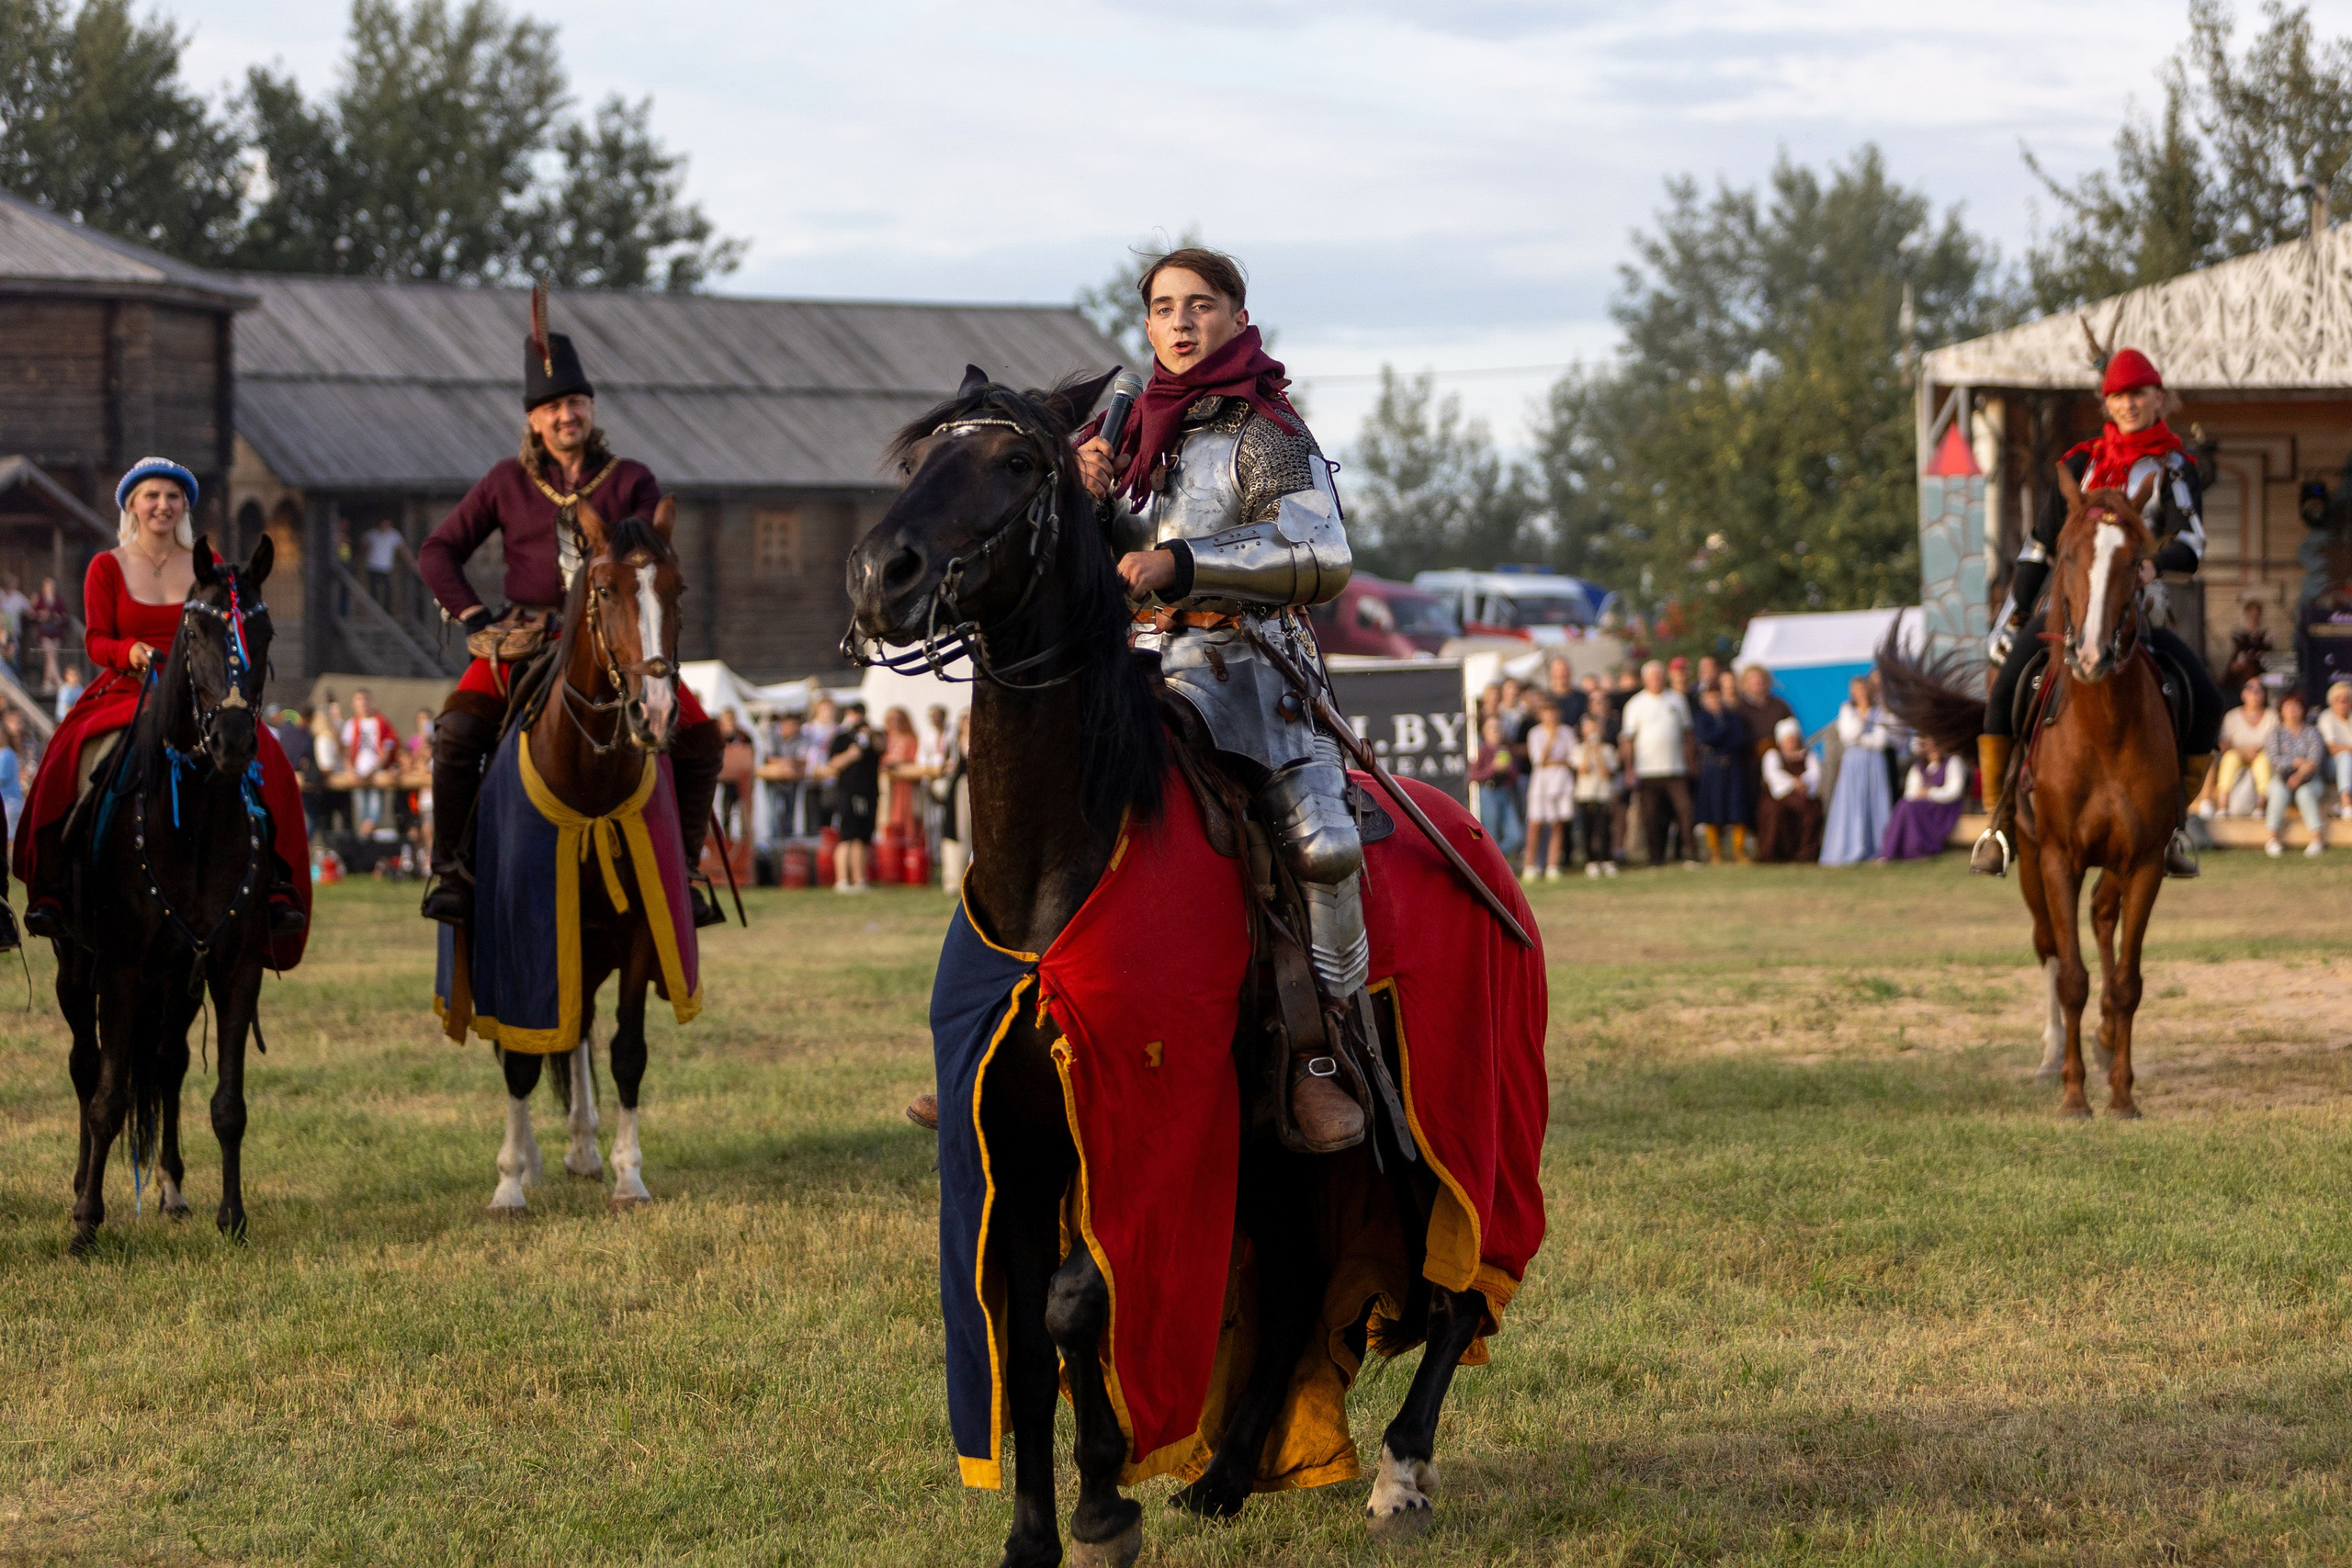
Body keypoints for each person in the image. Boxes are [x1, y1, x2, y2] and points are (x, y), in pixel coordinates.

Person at [1075, 244, 1364, 1150]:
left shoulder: (1266, 431)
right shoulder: (1117, 442)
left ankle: (1324, 1054)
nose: (1182, 321)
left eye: (1201, 305)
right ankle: (996, 1034)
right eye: (1164, 307)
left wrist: (1184, 563)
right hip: (1133, 676)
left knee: (1321, 846)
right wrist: (1075, 501)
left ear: (1237, 319)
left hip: (1252, 677)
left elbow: (1323, 556)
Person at [413, 288, 727, 928]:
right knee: (454, 734)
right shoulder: (506, 480)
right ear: (533, 419)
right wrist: (475, 618)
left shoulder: (630, 478)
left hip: (613, 642)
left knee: (700, 736)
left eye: (575, 403)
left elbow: (644, 564)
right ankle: (451, 871)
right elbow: (437, 549)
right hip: (526, 636)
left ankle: (687, 872)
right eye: (552, 407)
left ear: (591, 409)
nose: (565, 416)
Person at [12, 457, 308, 945]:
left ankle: (274, 882)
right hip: (127, 690)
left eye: (173, 497)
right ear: (131, 503)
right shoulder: (106, 565)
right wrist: (129, 651)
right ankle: (57, 884)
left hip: (202, 696)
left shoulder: (207, 568)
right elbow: (94, 641)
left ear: (184, 506)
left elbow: (233, 633)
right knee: (73, 756)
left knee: (268, 758)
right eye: (151, 495)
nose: (162, 505)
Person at [1975, 349, 2222, 878]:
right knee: (2005, 693)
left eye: (2139, 394)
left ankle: (2171, 823)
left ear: (2159, 397)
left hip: (2139, 613)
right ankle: (1996, 822)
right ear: (2105, 402)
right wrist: (2017, 610)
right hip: (2064, 614)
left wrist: (2153, 566)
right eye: (2119, 396)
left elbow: (2193, 542)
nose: (2129, 404)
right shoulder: (2079, 463)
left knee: (2205, 700)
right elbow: (2040, 545)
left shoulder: (2177, 465)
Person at [1619, 659, 1695, 867]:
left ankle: (1689, 852)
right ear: (1645, 680)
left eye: (1659, 676)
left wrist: (1690, 762)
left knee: (1684, 811)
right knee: (1651, 816)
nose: (1656, 681)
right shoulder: (1635, 704)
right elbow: (1628, 740)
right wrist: (1629, 769)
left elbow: (1687, 734)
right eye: (1652, 677)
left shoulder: (1677, 700)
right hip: (1647, 770)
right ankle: (1656, 856)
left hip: (1675, 767)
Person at [1822, 675, 1894, 866]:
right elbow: (1848, 736)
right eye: (1857, 690)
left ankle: (1878, 848)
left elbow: (1881, 741)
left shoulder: (1880, 712)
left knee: (1875, 802)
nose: (1861, 694)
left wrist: (1862, 740)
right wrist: (1862, 722)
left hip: (1874, 764)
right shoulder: (1847, 710)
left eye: (1864, 690)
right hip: (1853, 764)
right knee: (1852, 803)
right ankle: (1850, 847)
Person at [1691, 673, 1752, 863]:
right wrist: (1721, 732)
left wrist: (1718, 736)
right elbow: (1704, 738)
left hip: (1732, 766)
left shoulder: (1733, 717)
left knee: (1736, 809)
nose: (1715, 700)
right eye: (1710, 697)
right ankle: (1715, 852)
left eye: (1717, 696)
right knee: (1712, 810)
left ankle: (1738, 850)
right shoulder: (1702, 718)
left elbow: (1739, 739)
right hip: (1712, 768)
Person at [1879, 739, 1970, 862]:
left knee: (1908, 807)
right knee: (1904, 805)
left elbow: (1954, 791)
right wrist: (1920, 794)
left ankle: (1916, 849)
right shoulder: (1919, 767)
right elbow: (1910, 792)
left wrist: (1930, 793)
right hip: (1921, 807)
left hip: (1943, 808)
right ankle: (1891, 851)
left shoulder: (1952, 762)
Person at [2264, 690, 2327, 857]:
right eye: (2288, 707)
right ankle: (2272, 839)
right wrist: (2296, 762)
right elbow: (2274, 759)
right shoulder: (2275, 733)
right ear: (2281, 710)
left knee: (2305, 794)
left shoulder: (2312, 732)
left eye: (2296, 707)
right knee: (2278, 792)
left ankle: (2316, 839)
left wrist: (2298, 776)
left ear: (2303, 710)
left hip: (2309, 779)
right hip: (2280, 778)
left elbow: (2315, 761)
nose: (2292, 711)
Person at [824, 701, 879, 891]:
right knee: (846, 836)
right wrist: (850, 754)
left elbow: (882, 750)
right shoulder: (841, 737)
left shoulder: (870, 736)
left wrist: (869, 737)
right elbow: (833, 763)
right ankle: (842, 879)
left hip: (868, 792)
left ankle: (859, 879)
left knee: (861, 837)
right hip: (848, 791)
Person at [1756, 717, 1825, 863]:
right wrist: (1793, 783)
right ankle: (1773, 854)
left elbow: (1815, 773)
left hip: (1803, 795)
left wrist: (1803, 782)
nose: (1791, 742)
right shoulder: (1773, 755)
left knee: (1812, 812)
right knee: (1775, 812)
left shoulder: (1807, 755)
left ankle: (1806, 853)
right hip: (1779, 797)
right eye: (1788, 739)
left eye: (1793, 738)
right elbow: (1772, 775)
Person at [1521, 700, 1574, 881]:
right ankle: (1530, 865)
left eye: (1554, 712)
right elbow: (1539, 760)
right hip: (1541, 783)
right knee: (1535, 824)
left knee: (1557, 824)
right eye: (1547, 712)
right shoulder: (1535, 733)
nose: (1551, 716)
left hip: (1561, 781)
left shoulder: (1567, 732)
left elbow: (1572, 758)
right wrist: (1551, 740)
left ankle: (1553, 865)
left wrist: (1558, 761)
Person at [2208, 678, 2276, 816]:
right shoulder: (2232, 716)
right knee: (2229, 760)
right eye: (2250, 689)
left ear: (2264, 695)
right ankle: (2222, 807)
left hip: (2261, 754)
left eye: (2259, 690)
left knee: (2263, 763)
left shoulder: (2272, 716)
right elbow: (2223, 744)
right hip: (2236, 753)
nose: (2254, 694)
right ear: (2243, 694)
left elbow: (2275, 743)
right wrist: (2241, 751)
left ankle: (2260, 808)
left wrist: (2255, 750)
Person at [341, 687, 399, 832]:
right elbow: (347, 751)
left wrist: (374, 769)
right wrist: (350, 770)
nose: (362, 704)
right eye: (359, 700)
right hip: (358, 773)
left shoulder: (381, 722)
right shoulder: (351, 724)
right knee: (362, 813)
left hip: (376, 772)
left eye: (365, 699)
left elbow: (388, 748)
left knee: (374, 814)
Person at [1469, 715, 1524, 862]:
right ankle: (1494, 861)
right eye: (1492, 728)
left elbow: (1515, 775)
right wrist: (1493, 769)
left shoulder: (1505, 749)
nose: (1496, 731)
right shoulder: (1481, 750)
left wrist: (1507, 769)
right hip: (1489, 792)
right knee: (1491, 833)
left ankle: (1495, 858)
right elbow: (1473, 775)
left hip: (1505, 792)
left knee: (1516, 836)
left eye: (1498, 728)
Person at [1569, 711, 1618, 876]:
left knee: (1604, 828)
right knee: (1588, 829)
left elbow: (1606, 772)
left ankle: (1606, 859)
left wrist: (1597, 752)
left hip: (1603, 794)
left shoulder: (1608, 750)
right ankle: (1591, 860)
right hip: (1585, 794)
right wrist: (1589, 751)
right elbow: (1583, 769)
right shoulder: (1578, 749)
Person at [2222, 598, 2272, 694]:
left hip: (2259, 665)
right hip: (2241, 663)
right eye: (2252, 613)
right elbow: (2234, 650)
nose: (2254, 616)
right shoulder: (2238, 631)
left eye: (2257, 613)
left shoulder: (2265, 633)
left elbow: (2268, 651)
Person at [28, 576, 68, 690]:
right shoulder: (38, 598)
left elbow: (64, 615)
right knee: (49, 655)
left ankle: (47, 683)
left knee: (53, 655)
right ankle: (58, 680)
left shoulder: (58, 599)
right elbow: (31, 614)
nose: (50, 587)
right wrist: (41, 614)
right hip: (43, 630)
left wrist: (56, 616)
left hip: (55, 630)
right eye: (48, 585)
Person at [2318, 681, 2352, 817]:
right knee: (2345, 757)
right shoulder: (2326, 717)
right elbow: (2332, 748)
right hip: (2330, 766)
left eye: (2346, 699)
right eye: (2338, 699)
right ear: (2332, 702)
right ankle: (2345, 802)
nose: (2343, 702)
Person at [362, 517, 403, 609]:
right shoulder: (372, 534)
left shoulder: (394, 535)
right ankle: (374, 609)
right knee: (374, 590)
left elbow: (402, 549)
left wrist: (411, 562)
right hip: (373, 565)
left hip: (386, 567)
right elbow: (363, 545)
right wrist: (366, 556)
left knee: (388, 589)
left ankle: (386, 610)